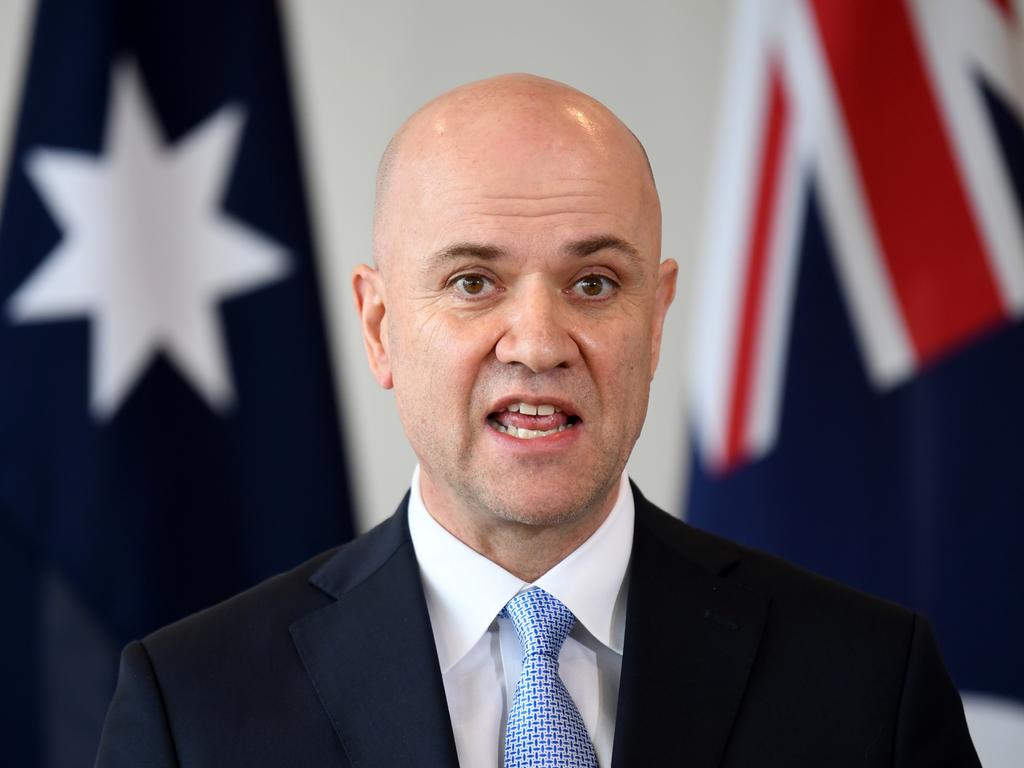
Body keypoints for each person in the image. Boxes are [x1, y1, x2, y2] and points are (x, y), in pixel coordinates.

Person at [95, 75, 980, 767]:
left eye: (593, 283)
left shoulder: (869, 683)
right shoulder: (192, 706)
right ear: (381, 328)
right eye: (473, 282)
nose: (539, 342)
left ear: (657, 317)